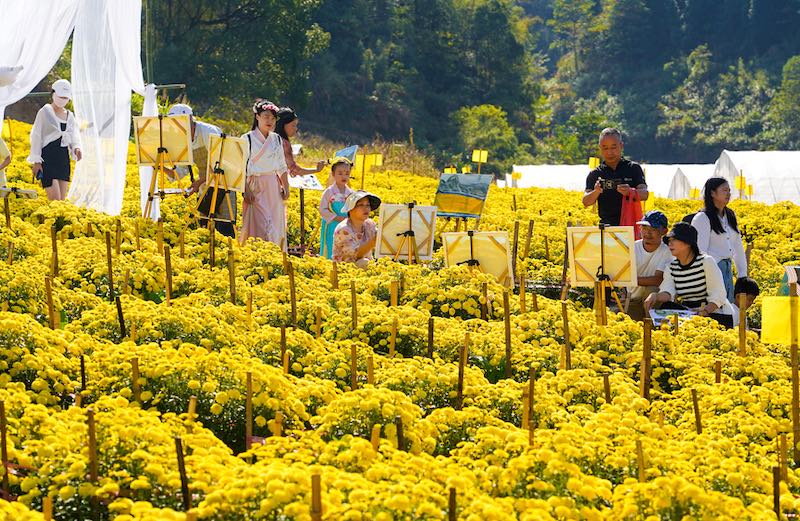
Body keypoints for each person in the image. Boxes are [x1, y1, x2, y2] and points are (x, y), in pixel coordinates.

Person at [644, 222, 735, 328]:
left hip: (714, 313)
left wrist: (704, 311)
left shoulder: (706, 262)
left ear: (687, 243)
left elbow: (718, 295)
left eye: (674, 240)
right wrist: (655, 296)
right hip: (689, 313)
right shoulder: (671, 267)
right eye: (669, 241)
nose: (670, 244)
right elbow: (668, 292)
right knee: (666, 306)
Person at [166, 104, 237, 238]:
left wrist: (199, 182)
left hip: (223, 182)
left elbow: (221, 164)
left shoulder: (208, 131)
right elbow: (180, 171)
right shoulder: (181, 139)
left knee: (225, 225)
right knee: (204, 226)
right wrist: (160, 167)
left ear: (190, 119)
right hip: (204, 186)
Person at [239, 100, 289, 248]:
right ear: (257, 117)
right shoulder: (246, 138)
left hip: (273, 186)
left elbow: (281, 165)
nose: (270, 121)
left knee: (275, 222)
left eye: (273, 118)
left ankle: (276, 253)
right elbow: (240, 167)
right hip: (255, 184)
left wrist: (285, 186)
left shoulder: (277, 139)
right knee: (259, 223)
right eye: (266, 116)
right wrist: (246, 189)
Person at [690, 177, 747, 303]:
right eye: (724, 190)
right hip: (711, 273)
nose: (729, 194)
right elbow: (700, 252)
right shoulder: (702, 218)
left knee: (727, 309)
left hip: (727, 271)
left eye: (729, 190)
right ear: (712, 193)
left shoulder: (730, 215)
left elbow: (737, 245)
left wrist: (742, 275)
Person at [27, 79, 82, 200]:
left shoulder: (70, 115)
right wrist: (37, 161)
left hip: (63, 160)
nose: (63, 100)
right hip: (48, 159)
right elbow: (36, 135)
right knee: (55, 199)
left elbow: (74, 135)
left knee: (61, 202)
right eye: (60, 96)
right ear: (53, 94)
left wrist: (77, 148)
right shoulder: (44, 112)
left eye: (65, 97)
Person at [582, 128, 648, 226]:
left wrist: (630, 192)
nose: (609, 152)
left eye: (613, 147)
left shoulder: (633, 168)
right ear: (599, 148)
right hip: (606, 226)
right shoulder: (595, 174)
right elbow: (586, 202)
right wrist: (596, 192)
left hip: (631, 225)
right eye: (605, 148)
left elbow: (645, 194)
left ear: (621, 146)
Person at [626, 210, 673, 321]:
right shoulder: (632, 247)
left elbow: (658, 280)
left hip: (655, 299)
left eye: (653, 230)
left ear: (664, 231)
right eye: (644, 228)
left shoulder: (667, 251)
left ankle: (652, 324)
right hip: (633, 297)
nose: (647, 233)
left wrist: (629, 280)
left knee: (652, 289)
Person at [332, 190, 381, 268]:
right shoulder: (344, 229)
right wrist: (373, 242)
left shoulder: (369, 224)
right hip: (345, 269)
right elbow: (355, 256)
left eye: (368, 205)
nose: (366, 208)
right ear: (350, 209)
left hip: (368, 266)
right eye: (360, 205)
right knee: (364, 262)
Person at [274, 107, 326, 177]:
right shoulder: (284, 144)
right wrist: (317, 170)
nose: (296, 129)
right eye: (293, 125)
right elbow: (294, 170)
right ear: (283, 124)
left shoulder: (269, 138)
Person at [319, 157, 354, 259]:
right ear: (333, 174)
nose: (344, 176)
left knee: (346, 248)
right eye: (340, 173)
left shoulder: (351, 193)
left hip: (347, 226)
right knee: (331, 247)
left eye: (347, 173)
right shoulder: (329, 192)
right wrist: (336, 217)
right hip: (332, 225)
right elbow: (322, 209)